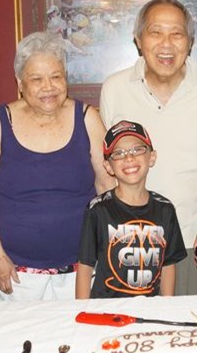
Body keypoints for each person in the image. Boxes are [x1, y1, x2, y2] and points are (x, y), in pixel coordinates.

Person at [99, 0, 197, 295]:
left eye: (176, 33)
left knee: (191, 332)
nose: (166, 43)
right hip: (129, 241)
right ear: (138, 40)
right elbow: (109, 166)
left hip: (192, 241)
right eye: (155, 32)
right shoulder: (114, 89)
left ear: (190, 42)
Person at [0, 31, 114, 301]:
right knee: (21, 343)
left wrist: (105, 251)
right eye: (36, 79)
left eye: (56, 76)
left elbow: (107, 187)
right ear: (20, 83)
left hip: (82, 267)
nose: (48, 87)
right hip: (17, 273)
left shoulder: (88, 119)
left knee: (80, 340)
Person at [76, 121, 186, 298]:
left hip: (150, 310)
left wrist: (167, 305)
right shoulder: (97, 210)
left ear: (152, 157)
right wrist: (81, 311)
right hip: (105, 312)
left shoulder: (165, 209)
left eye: (137, 150)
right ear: (108, 166)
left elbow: (168, 265)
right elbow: (85, 266)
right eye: (118, 153)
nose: (129, 158)